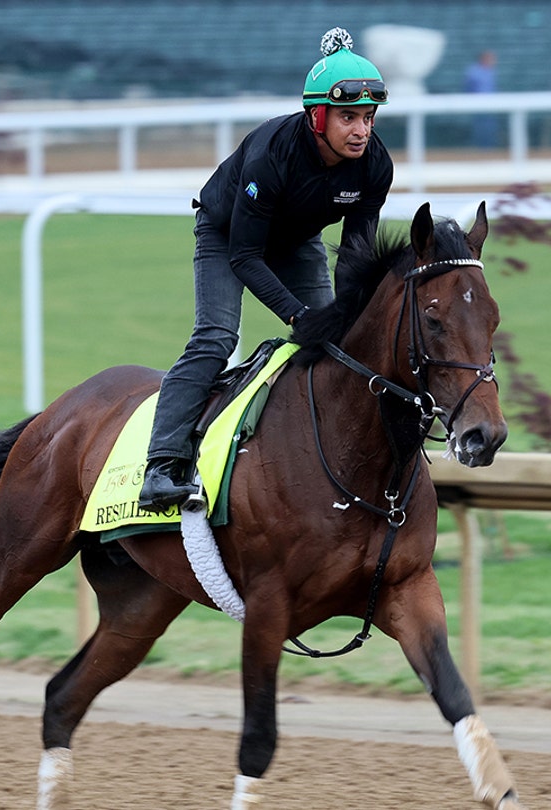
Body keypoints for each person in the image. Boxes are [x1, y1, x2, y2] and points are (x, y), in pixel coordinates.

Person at [138, 27, 394, 511]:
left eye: (368, 117)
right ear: (318, 116)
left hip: (296, 243)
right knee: (216, 338)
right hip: (229, 236)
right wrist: (299, 316)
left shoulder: (375, 165)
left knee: (340, 345)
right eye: (348, 118)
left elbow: (355, 259)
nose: (361, 131)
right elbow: (245, 257)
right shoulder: (272, 152)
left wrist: (343, 317)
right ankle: (161, 465)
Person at [464, 49, 499, 148]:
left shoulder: (490, 72)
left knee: (490, 129)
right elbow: (468, 88)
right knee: (480, 129)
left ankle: (489, 149)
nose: (493, 61)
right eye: (491, 59)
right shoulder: (473, 71)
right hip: (478, 106)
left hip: (490, 107)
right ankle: (480, 149)